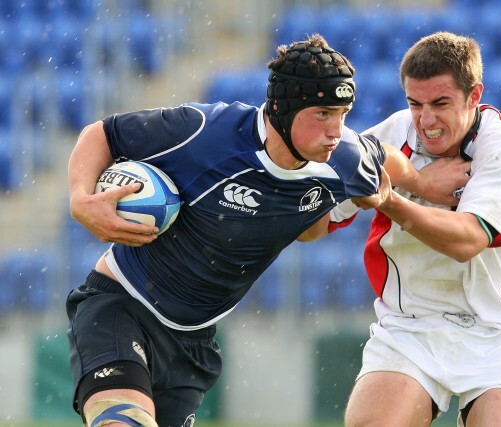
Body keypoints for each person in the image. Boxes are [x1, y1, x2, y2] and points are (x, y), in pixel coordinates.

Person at [65, 33, 454, 427]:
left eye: (343, 113)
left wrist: (425, 185)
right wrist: (81, 200)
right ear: (282, 110)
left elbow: (386, 160)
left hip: (192, 342)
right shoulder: (204, 132)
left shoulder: (344, 157)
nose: (336, 130)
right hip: (120, 307)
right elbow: (103, 133)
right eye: (322, 113)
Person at [324, 32, 501, 426]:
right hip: (412, 325)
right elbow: (316, 224)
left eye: (440, 103)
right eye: (415, 104)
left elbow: (467, 240)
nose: (426, 120)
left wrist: (390, 198)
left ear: (474, 95)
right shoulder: (389, 138)